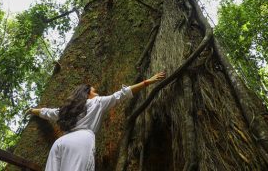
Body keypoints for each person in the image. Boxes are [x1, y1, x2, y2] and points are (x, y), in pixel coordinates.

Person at [26, 71, 166, 171]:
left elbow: (48, 113)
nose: (97, 93)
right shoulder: (97, 102)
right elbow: (121, 95)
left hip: (60, 143)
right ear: (87, 94)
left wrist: (33, 110)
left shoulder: (67, 109)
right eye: (95, 91)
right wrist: (148, 81)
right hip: (81, 141)